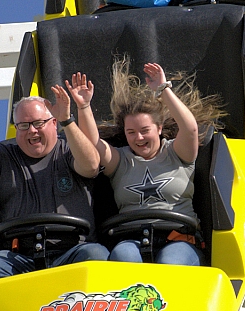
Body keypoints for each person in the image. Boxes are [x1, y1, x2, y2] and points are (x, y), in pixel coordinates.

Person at [0, 79, 109, 282]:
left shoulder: (69, 149)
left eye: (38, 123)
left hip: (73, 250)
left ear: (53, 123)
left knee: (96, 256)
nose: (32, 130)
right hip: (19, 257)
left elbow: (91, 165)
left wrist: (68, 121)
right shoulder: (3, 155)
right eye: (23, 126)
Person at [75, 60, 222, 266]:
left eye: (145, 130)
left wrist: (164, 90)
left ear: (159, 128)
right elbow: (92, 144)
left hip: (178, 238)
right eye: (131, 132)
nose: (139, 138)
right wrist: (83, 106)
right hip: (131, 239)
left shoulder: (176, 152)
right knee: (122, 257)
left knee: (170, 263)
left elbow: (190, 130)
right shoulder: (122, 161)